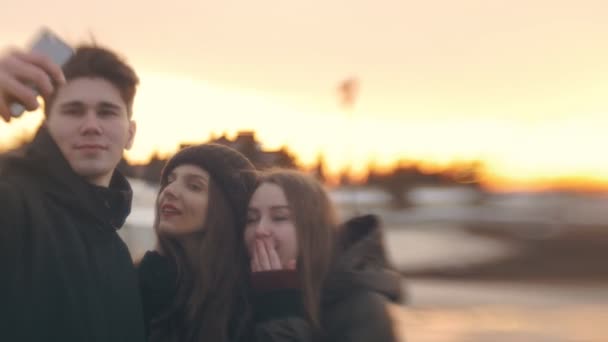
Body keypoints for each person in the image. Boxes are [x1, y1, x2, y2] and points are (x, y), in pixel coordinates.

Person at [0, 46, 145, 341]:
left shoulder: (117, 253)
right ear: (47, 126)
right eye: (73, 110)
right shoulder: (12, 204)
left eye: (107, 112)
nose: (91, 126)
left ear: (130, 134)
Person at [245, 169, 405, 341]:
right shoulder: (242, 293)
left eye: (279, 217)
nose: (260, 230)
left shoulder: (362, 308)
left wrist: (279, 310)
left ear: (314, 227)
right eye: (251, 218)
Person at [137, 143, 258, 342]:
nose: (169, 191)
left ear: (228, 208)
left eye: (194, 186)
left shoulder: (251, 297)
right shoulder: (138, 280)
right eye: (169, 181)